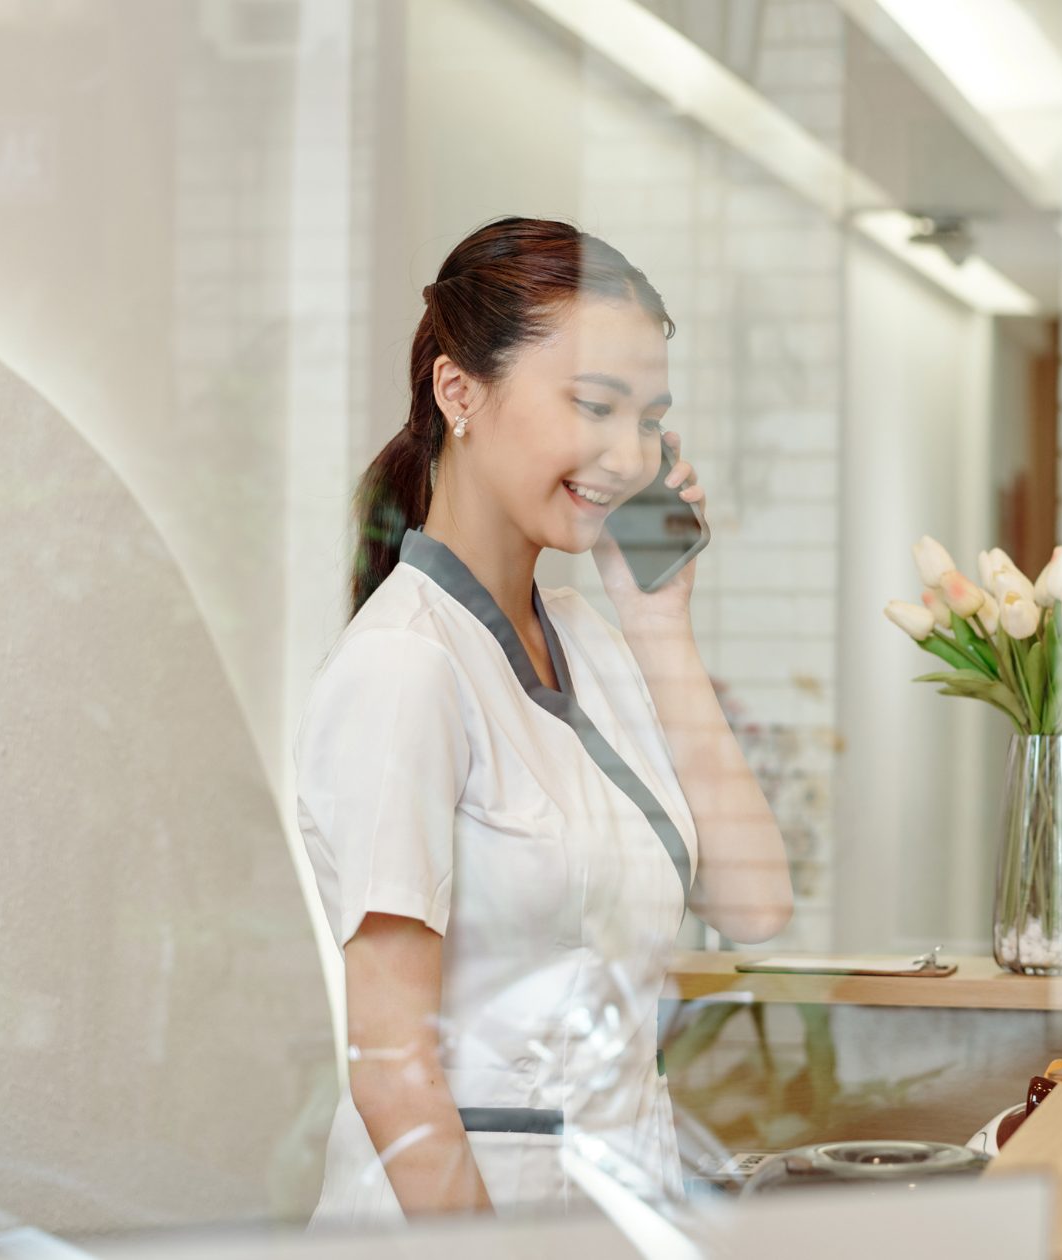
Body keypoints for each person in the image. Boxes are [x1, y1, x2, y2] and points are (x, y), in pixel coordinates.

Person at [294, 216, 792, 1228]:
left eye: (649, 418)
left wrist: (660, 622)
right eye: (593, 406)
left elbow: (755, 906)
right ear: (457, 391)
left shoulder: (595, 641)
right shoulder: (407, 664)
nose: (627, 453)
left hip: (610, 1202)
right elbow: (391, 1073)